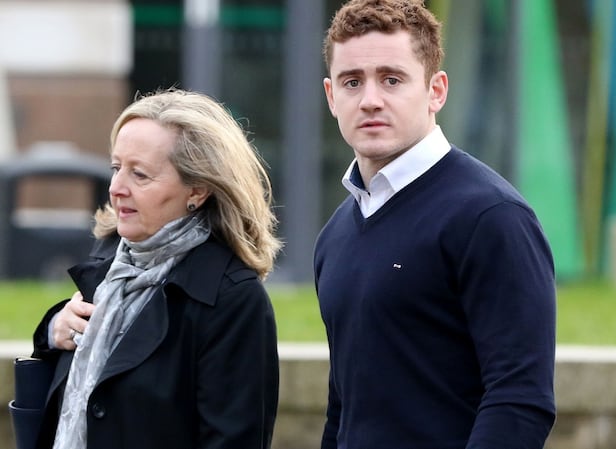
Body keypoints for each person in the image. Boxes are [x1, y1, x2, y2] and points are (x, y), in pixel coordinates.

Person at [314, 1, 557, 448]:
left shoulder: (492, 218)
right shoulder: (335, 236)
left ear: (436, 90)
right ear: (332, 96)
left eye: (392, 79)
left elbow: (520, 401)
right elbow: (343, 407)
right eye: (352, 82)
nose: (370, 99)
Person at [29, 89, 282, 449]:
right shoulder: (110, 258)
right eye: (117, 168)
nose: (116, 188)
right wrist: (54, 328)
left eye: (140, 175)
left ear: (198, 189)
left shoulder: (232, 298)